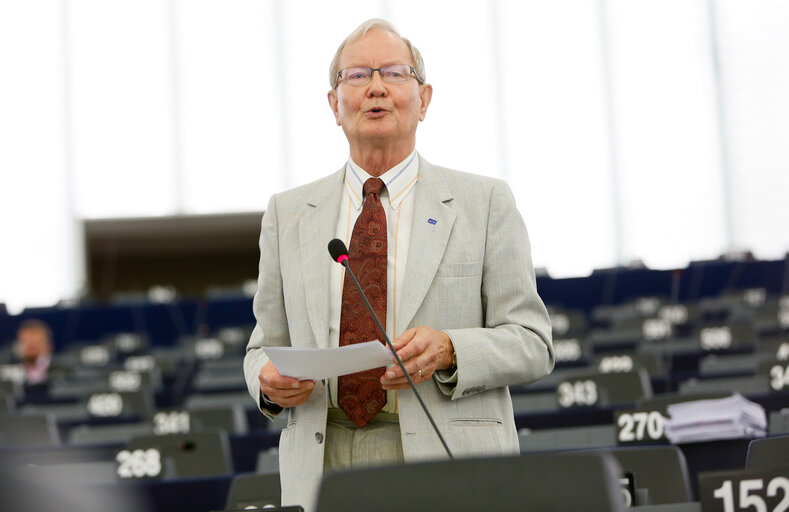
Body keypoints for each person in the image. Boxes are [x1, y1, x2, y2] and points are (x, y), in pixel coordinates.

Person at [243, 18, 554, 511]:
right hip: (324, 462)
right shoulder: (288, 213)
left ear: (424, 98)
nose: (376, 88)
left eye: (394, 72)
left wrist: (451, 348)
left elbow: (533, 343)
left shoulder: (485, 202)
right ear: (333, 104)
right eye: (357, 75)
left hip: (447, 456)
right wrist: (265, 379)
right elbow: (262, 347)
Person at [15, 319, 54, 385]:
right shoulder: (8, 371)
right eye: (26, 342)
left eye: (37, 342)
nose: (31, 346)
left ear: (49, 346)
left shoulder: (63, 370)